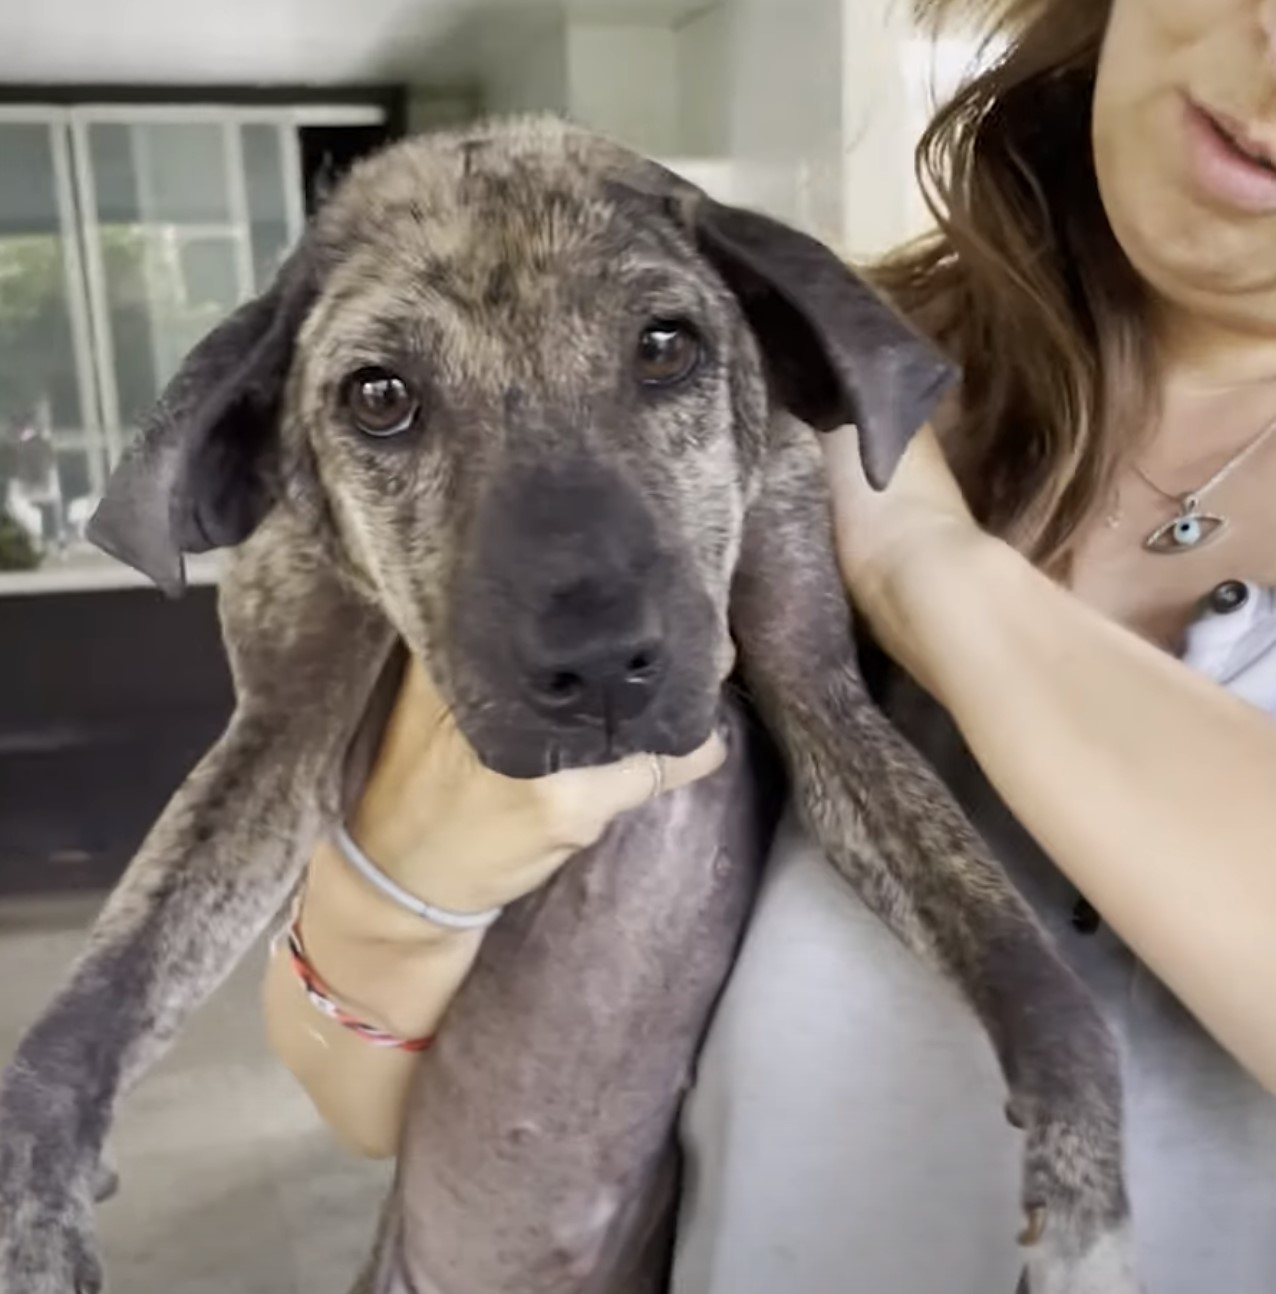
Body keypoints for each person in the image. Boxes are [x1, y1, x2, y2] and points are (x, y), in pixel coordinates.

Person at [263, 0, 1276, 1289]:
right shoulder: (738, 359)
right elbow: (363, 1099)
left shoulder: (824, 445)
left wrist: (928, 568)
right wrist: (405, 878)